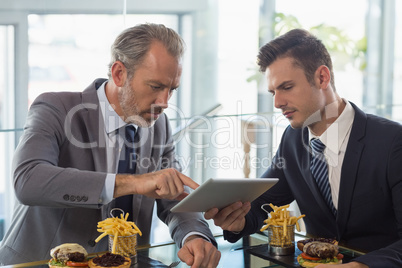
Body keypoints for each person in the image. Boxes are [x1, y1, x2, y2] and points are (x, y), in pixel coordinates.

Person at [0, 23, 221, 267]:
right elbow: (27, 180)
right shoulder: (57, 108)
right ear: (119, 74)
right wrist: (134, 183)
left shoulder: (160, 125)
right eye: (156, 87)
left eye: (172, 90)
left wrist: (194, 235)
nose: (165, 102)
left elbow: (175, 197)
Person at [205, 29, 402, 268]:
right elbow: (261, 204)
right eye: (273, 92)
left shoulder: (392, 142)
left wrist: (361, 266)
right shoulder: (293, 139)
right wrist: (238, 220)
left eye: (286, 87)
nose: (277, 103)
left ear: (322, 78)